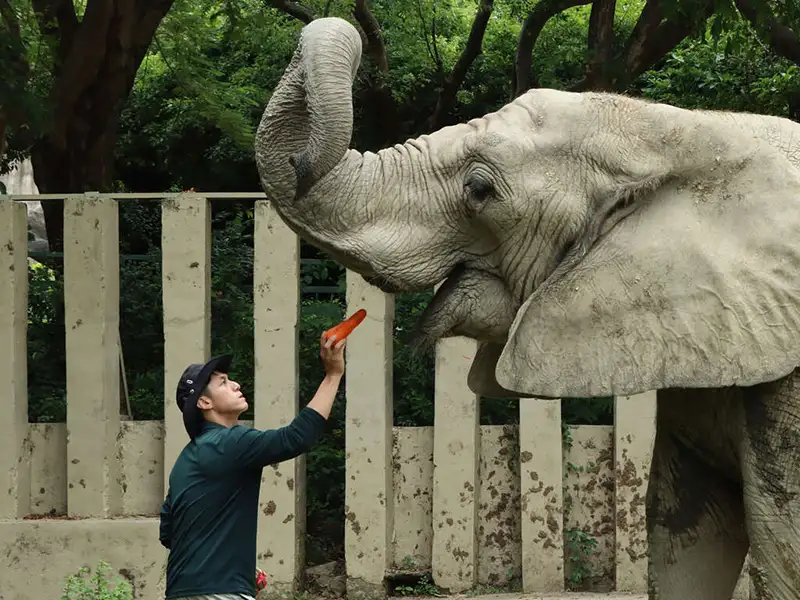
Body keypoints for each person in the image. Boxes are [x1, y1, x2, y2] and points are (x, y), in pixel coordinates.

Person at [159, 333, 345, 600]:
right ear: (204, 402)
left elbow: (169, 533)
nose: (235, 384)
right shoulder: (228, 443)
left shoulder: (186, 460)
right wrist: (332, 375)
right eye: (223, 382)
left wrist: (233, 566)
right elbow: (295, 438)